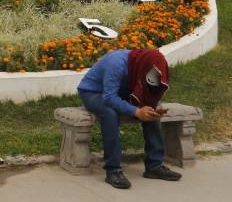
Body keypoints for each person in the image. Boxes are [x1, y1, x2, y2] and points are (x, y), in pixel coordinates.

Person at [77, 49, 182, 189]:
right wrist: (136, 111)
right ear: (145, 67)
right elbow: (109, 97)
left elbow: (148, 88)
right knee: (110, 113)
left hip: (121, 92)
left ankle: (154, 166)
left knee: (151, 111)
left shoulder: (142, 65)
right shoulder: (117, 63)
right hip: (94, 92)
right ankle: (113, 170)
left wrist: (152, 107)